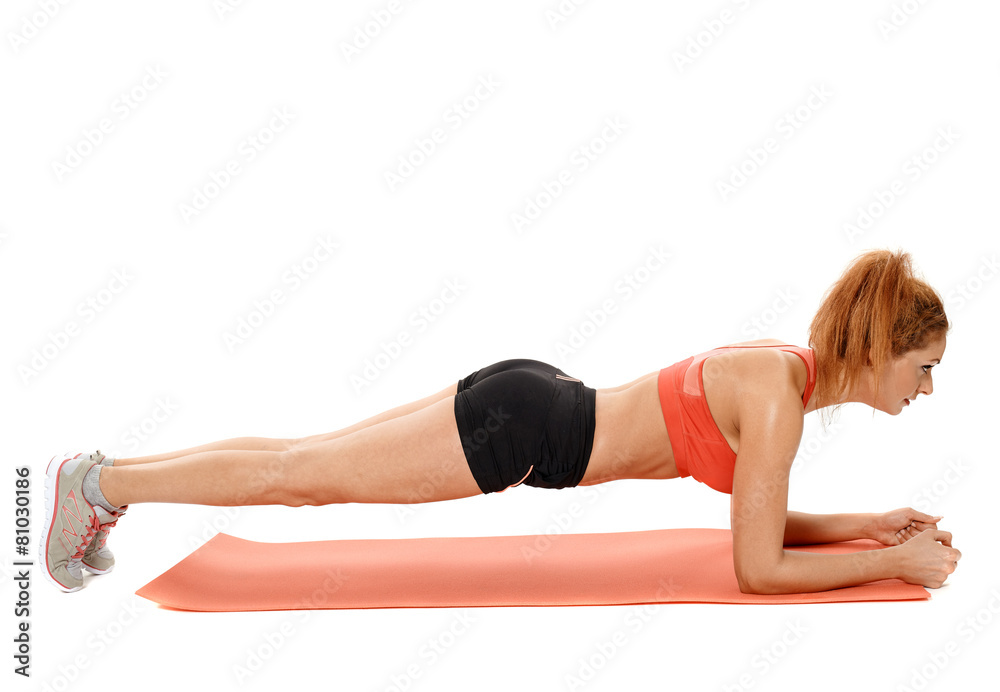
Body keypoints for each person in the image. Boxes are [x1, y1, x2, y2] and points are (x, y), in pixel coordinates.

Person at [40, 248, 961, 595]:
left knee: (301, 459)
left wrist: (866, 526)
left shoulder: (784, 383)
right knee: (300, 478)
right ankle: (99, 485)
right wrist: (894, 564)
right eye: (923, 368)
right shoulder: (777, 406)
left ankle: (106, 476)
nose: (925, 390)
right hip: (520, 431)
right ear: (882, 347)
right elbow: (756, 567)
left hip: (529, 398)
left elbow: (756, 523)